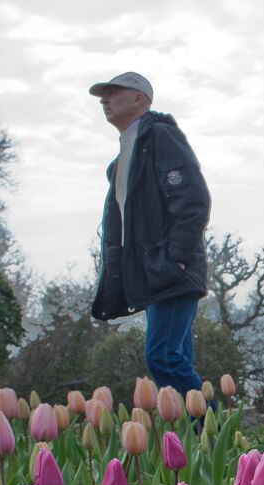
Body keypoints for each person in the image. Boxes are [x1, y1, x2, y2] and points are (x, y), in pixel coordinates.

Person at [89, 71, 210, 400]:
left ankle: (213, 438)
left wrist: (177, 259)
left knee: (163, 358)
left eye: (114, 93)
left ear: (139, 98)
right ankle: (196, 441)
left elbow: (192, 199)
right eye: (104, 95)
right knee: (176, 358)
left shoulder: (159, 136)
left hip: (170, 271)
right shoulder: (123, 157)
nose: (104, 100)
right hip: (153, 274)